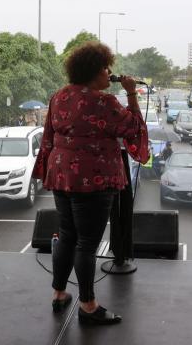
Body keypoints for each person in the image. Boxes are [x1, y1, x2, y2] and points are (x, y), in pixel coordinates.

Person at [32, 42, 148, 325]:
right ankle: (88, 305)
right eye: (106, 68)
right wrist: (132, 93)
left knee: (67, 235)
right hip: (93, 178)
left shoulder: (59, 96)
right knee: (86, 243)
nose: (109, 73)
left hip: (62, 174)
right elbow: (133, 126)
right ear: (95, 71)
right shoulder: (103, 101)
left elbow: (48, 134)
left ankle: (59, 294)